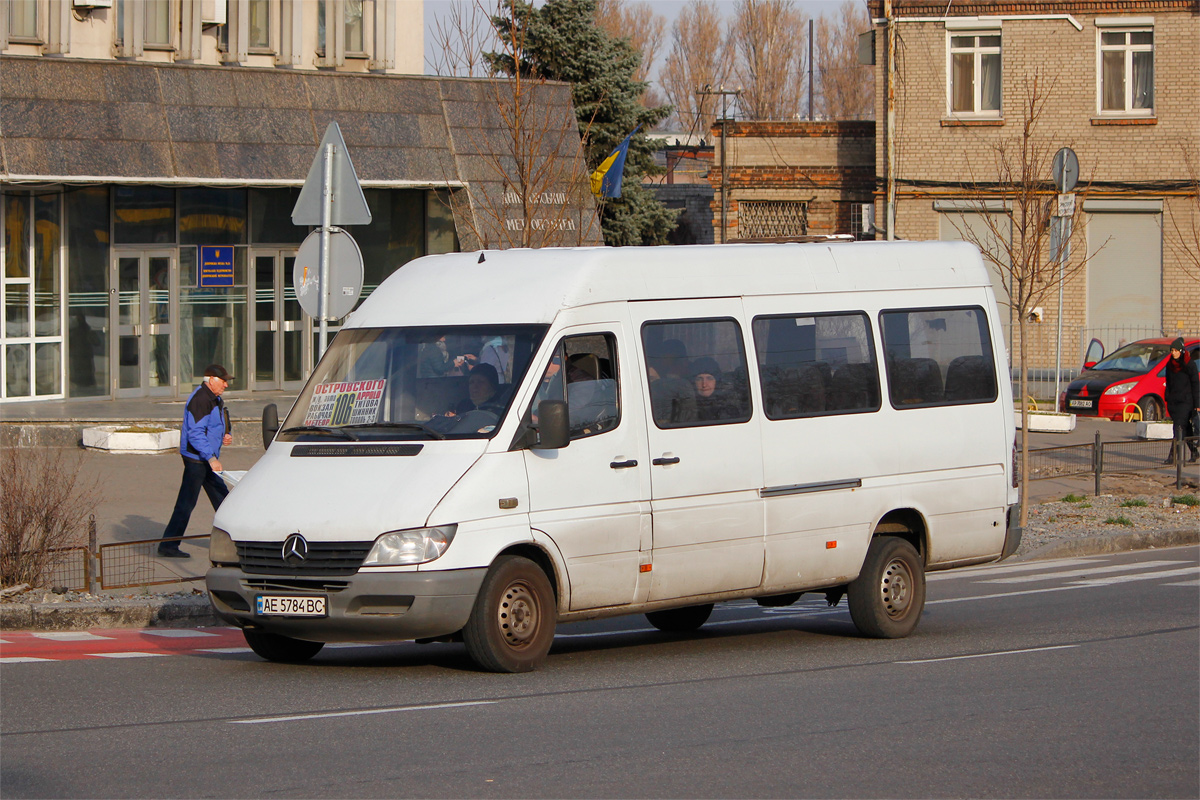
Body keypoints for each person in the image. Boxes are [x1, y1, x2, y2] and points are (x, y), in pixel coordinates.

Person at [159, 364, 234, 558]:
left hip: (206, 457)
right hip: (197, 459)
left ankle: (238, 539)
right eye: (223, 381)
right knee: (187, 502)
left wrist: (226, 433)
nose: (226, 384)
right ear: (211, 380)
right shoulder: (201, 399)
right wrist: (211, 458)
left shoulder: (213, 398)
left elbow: (216, 422)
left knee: (223, 498)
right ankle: (168, 545)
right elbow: (195, 433)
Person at [1164, 338, 1199, 464]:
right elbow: (1168, 382)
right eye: (1172, 350)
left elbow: (1195, 385)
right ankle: (1194, 452)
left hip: (1186, 402)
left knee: (1178, 428)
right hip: (1174, 402)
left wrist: (1197, 405)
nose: (1173, 353)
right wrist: (1167, 396)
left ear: (1181, 351)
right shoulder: (1170, 364)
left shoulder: (1189, 364)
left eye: (1175, 350)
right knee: (1186, 429)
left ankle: (1172, 457)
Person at [691, 356, 737, 421]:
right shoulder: (686, 406)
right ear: (694, 382)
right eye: (699, 379)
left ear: (717, 381)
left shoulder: (728, 405)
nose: (704, 384)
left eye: (709, 378)